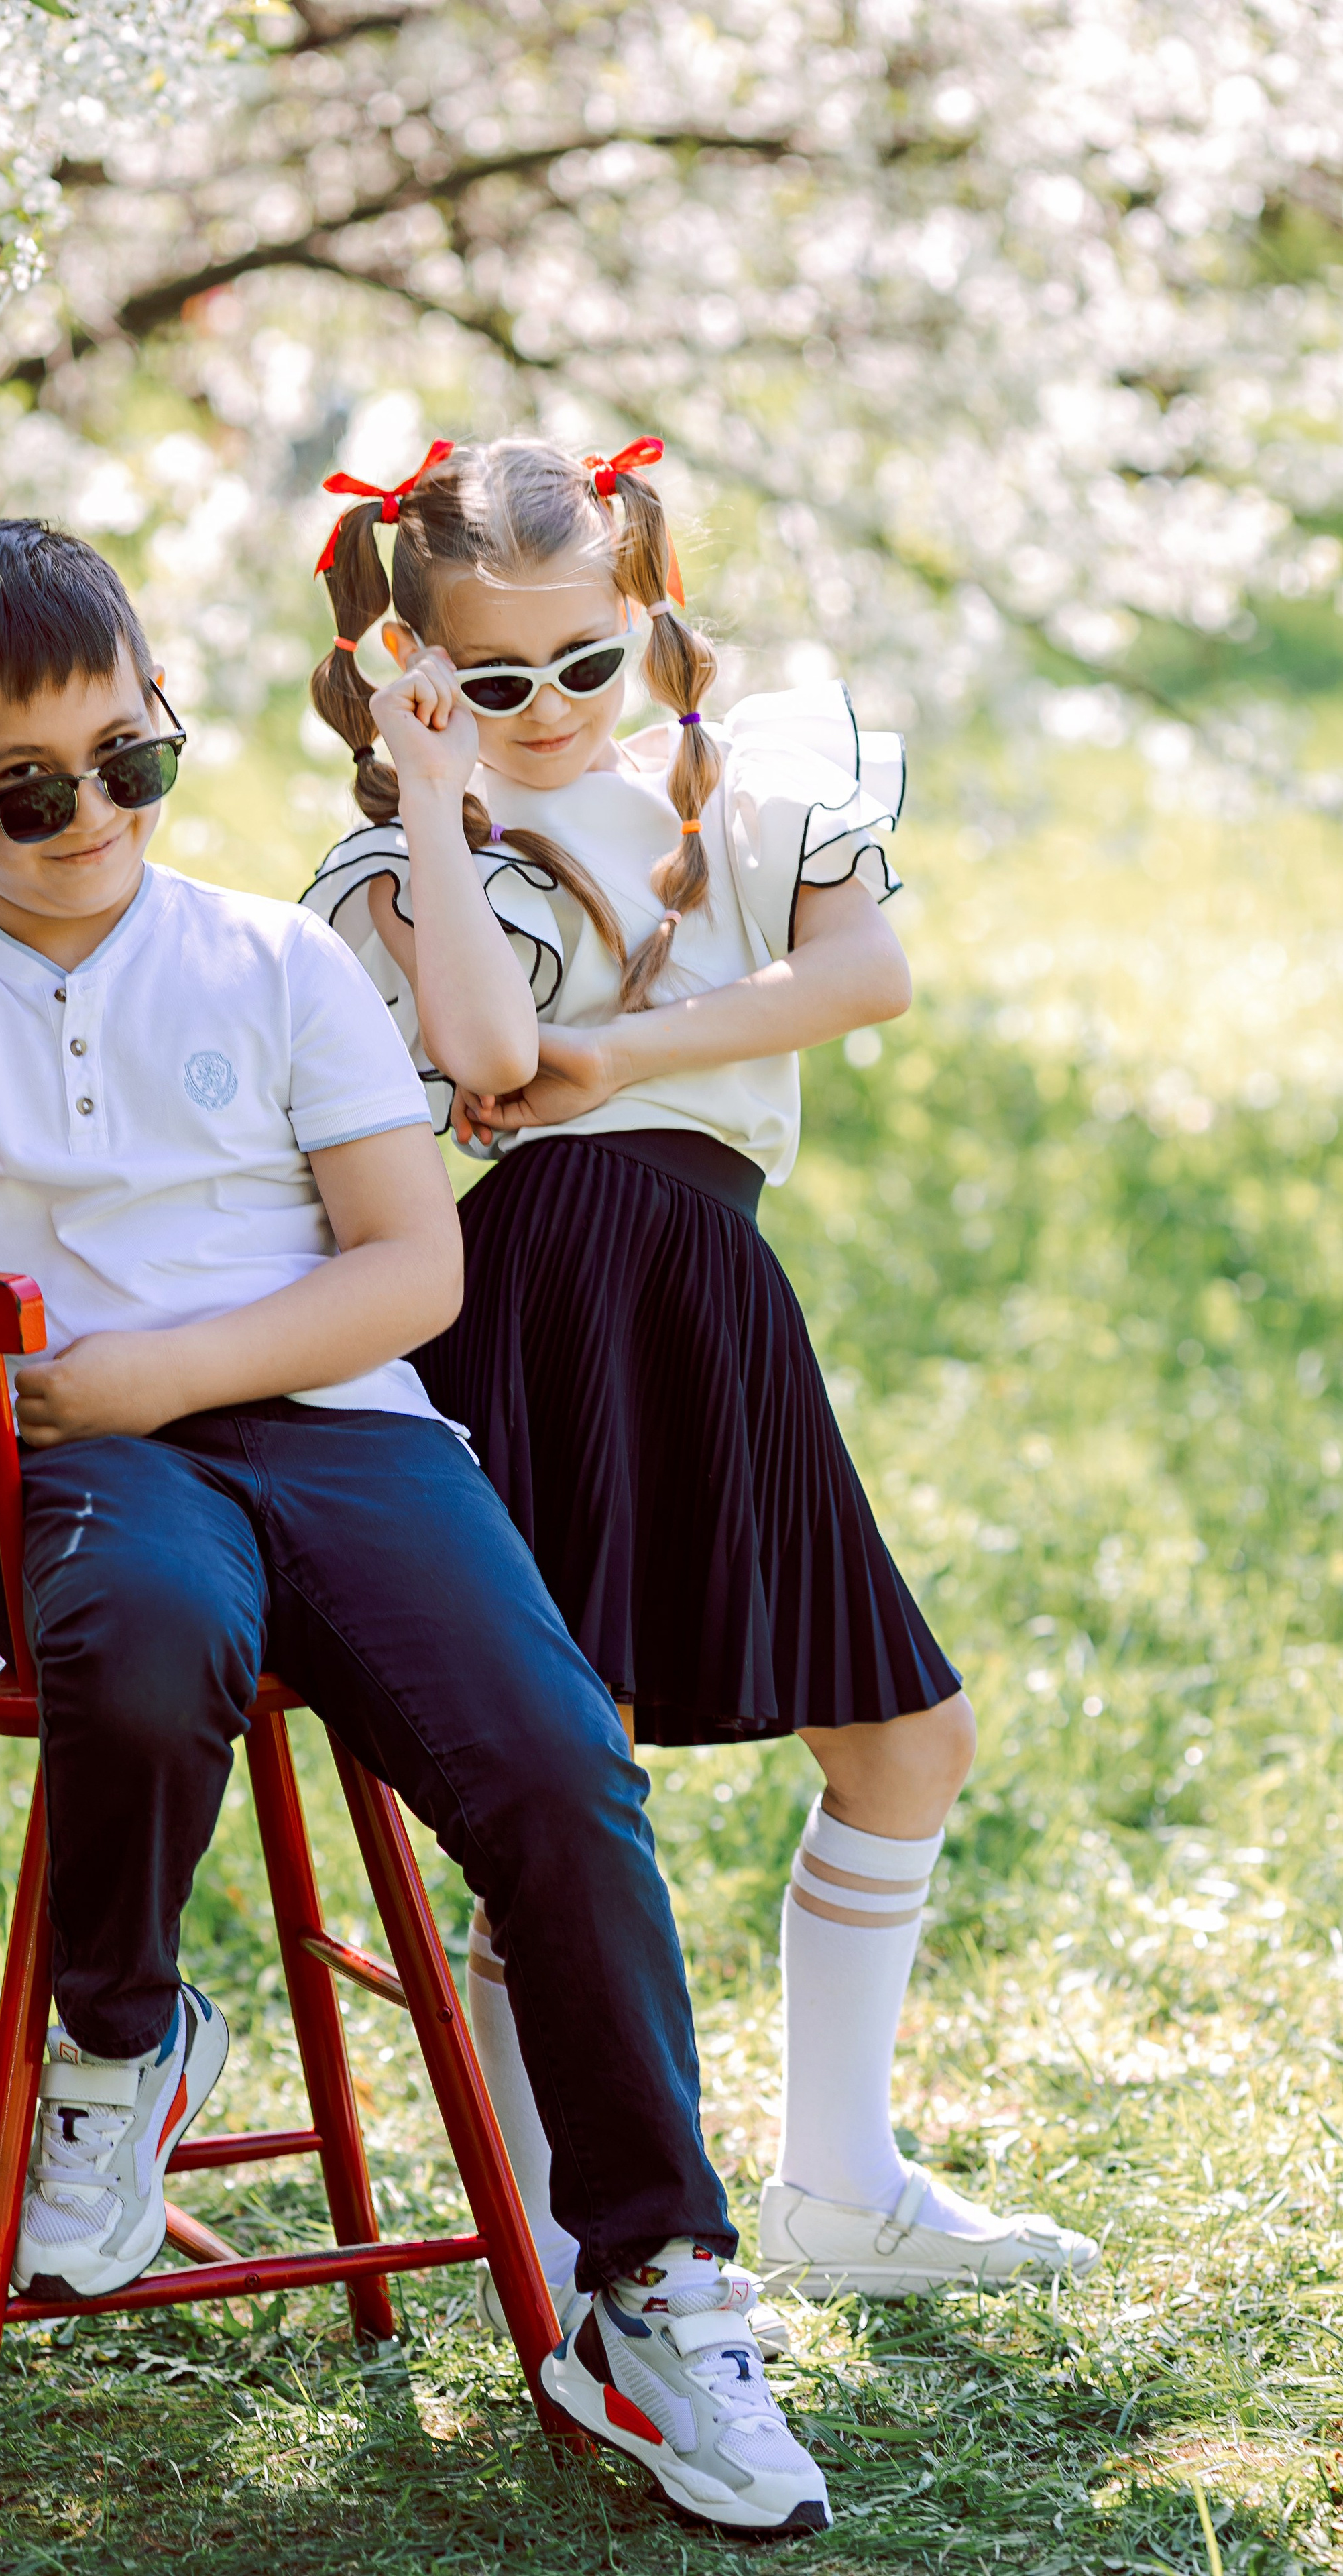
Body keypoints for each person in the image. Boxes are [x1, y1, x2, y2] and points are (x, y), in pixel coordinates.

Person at [0, 516, 835, 2539]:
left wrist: (172, 1370)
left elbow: (410, 1273)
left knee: (558, 1765)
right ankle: (126, 2040)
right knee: (156, 1630)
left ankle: (652, 2290)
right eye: (26, 788)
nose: (91, 814)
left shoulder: (269, 961)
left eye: (133, 760)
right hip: (89, 1473)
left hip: (325, 1423)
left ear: (171, 726)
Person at [300, 435, 1100, 2326]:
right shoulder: (408, 857)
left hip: (711, 1276)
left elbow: (868, 971)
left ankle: (838, 2176)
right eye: (493, 679)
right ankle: (553, 2241)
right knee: (559, 1772)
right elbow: (491, 1053)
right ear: (418, 664)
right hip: (556, 1282)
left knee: (906, 1739)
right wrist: (433, 785)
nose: (551, 708)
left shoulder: (748, 782)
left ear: (642, 610)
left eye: (584, 660)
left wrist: (627, 1043)